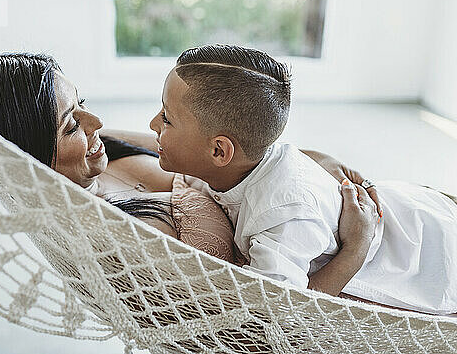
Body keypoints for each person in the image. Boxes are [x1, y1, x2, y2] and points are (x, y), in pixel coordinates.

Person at [0, 52, 378, 298]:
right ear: (27, 157)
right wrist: (355, 247)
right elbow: (261, 324)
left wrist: (307, 161)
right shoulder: (112, 231)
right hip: (339, 261)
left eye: (82, 102)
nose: (95, 122)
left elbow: (223, 145)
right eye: (70, 123)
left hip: (330, 206)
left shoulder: (100, 149)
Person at [142, 44, 457, 315]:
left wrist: (355, 249)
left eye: (166, 117)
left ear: (220, 150)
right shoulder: (243, 161)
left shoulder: (281, 215)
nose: (153, 123)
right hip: (412, 213)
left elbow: (282, 314)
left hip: (432, 254)